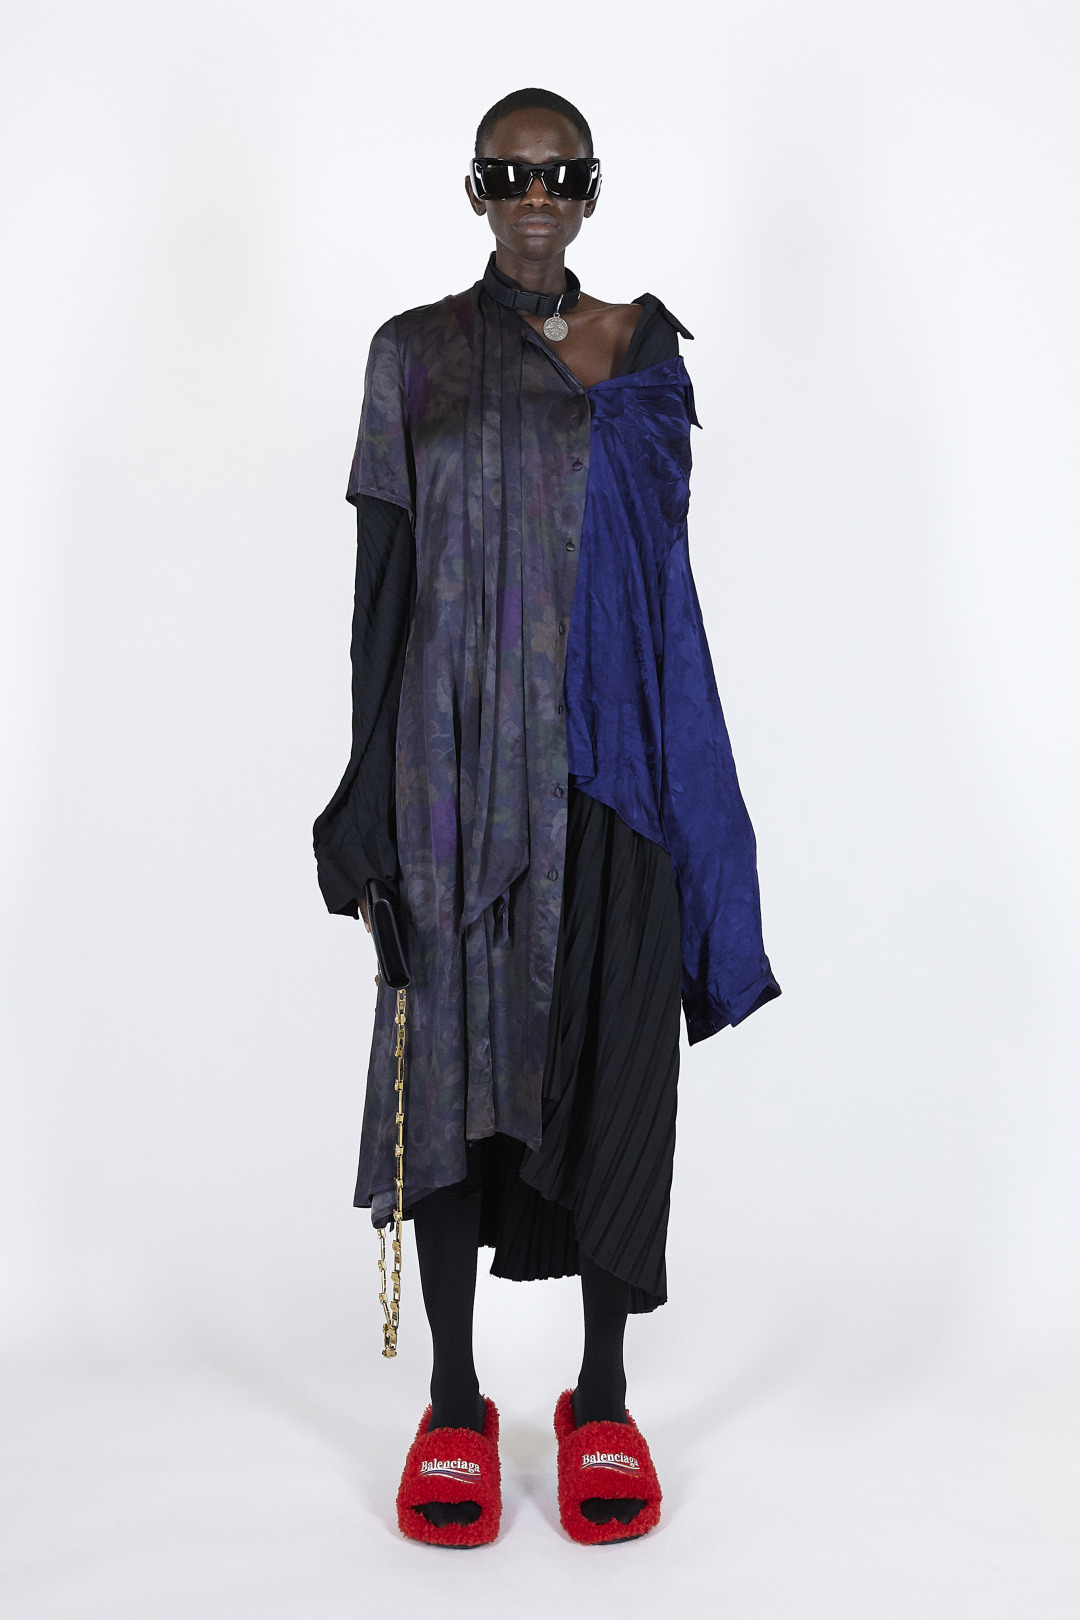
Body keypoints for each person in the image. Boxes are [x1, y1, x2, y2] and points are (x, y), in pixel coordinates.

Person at [314, 87, 780, 1548]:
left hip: (610, 771)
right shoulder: (411, 355)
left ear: (591, 190)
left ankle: (602, 1396)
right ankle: (454, 1400)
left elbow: (661, 587)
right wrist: (359, 792)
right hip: (448, 774)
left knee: (613, 1067)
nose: (537, 195)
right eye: (510, 172)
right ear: (475, 189)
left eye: (562, 173)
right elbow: (382, 591)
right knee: (450, 1064)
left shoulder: (640, 354)